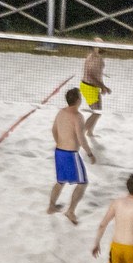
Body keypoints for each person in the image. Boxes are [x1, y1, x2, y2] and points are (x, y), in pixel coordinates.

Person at [46, 87, 90, 223]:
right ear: (78, 100)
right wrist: (89, 153)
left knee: (60, 181)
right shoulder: (77, 117)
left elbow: (53, 130)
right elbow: (81, 138)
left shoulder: (61, 112)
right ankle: (70, 211)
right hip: (71, 155)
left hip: (59, 152)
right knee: (82, 183)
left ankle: (51, 207)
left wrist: (60, 142)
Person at [77, 46, 107, 160]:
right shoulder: (92, 59)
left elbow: (99, 75)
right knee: (96, 112)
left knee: (98, 112)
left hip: (94, 87)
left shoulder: (100, 58)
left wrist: (102, 87)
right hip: (88, 87)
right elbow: (91, 77)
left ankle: (89, 132)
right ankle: (82, 134)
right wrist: (104, 87)